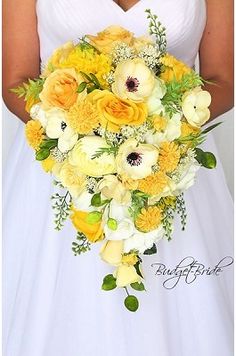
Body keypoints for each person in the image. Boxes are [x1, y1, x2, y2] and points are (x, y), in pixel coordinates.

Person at [2, 1, 234, 355]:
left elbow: (223, 80)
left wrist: (159, 127)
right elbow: (15, 82)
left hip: (174, 165)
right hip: (61, 170)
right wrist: (85, 134)